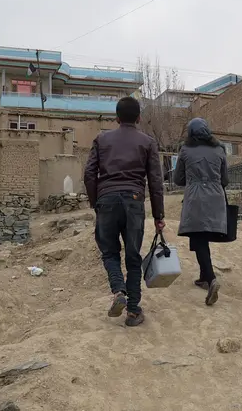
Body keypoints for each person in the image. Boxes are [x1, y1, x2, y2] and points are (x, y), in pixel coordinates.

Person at [83, 97, 165, 327]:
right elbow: (156, 181)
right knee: (132, 257)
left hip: (106, 199)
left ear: (117, 118)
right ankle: (133, 311)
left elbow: (89, 175)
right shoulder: (147, 142)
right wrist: (159, 215)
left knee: (109, 252)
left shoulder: (101, 139)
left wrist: (96, 202)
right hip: (135, 201)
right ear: (139, 118)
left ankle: (118, 290)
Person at [172, 118, 228, 306]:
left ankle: (211, 278)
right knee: (201, 238)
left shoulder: (185, 150)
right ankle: (204, 276)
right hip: (215, 197)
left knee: (199, 237)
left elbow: (178, 179)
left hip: (196, 197)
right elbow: (225, 179)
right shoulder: (220, 149)